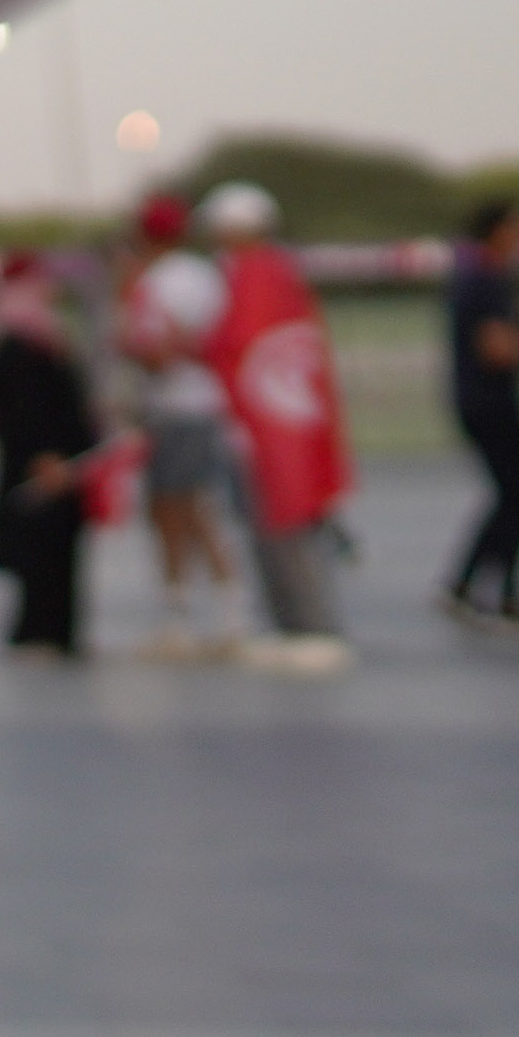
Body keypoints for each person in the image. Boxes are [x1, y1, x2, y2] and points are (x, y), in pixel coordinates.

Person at [194, 182, 355, 673]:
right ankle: (293, 626)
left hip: (271, 425)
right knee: (276, 524)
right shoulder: (278, 272)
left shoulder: (255, 275)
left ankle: (310, 627)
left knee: (284, 523)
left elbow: (234, 344)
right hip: (283, 421)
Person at [120, 195, 253, 658]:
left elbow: (151, 351)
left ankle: (189, 618)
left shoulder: (154, 282)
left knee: (175, 512)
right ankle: (222, 612)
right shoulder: (205, 275)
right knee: (191, 509)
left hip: (176, 407)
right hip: (206, 404)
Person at [0, 253, 99, 658]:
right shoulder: (19, 343)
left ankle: (56, 632)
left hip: (57, 464)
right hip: (42, 465)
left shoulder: (42, 336)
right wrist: (44, 455)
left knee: (56, 552)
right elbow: (24, 409)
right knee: (40, 553)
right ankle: (39, 633)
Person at [436, 194, 519, 630]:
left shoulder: (482, 275)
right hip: (492, 402)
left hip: (483, 400)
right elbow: (498, 351)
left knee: (513, 494)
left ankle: (475, 586)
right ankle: (494, 590)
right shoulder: (485, 278)